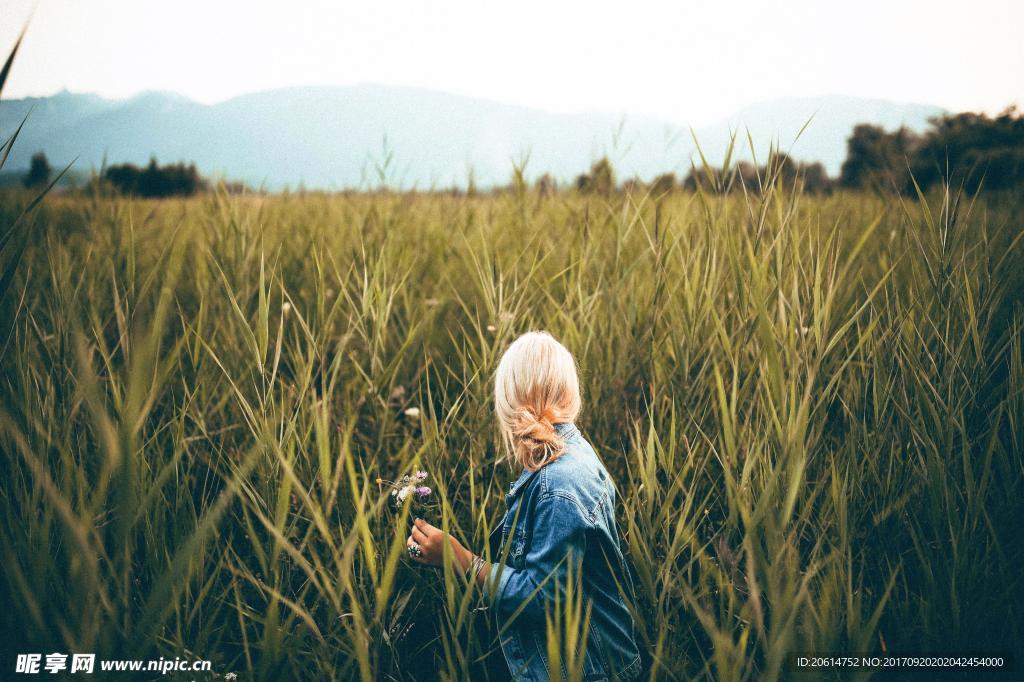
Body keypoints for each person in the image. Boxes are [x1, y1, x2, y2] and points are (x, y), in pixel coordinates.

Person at [407, 331, 642, 681]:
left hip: (589, 671)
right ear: (569, 394)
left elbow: (543, 599)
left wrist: (458, 558)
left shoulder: (557, 484)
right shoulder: (574, 457)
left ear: (509, 404)